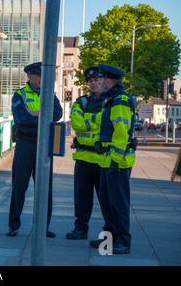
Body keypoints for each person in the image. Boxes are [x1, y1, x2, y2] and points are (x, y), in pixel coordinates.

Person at [7, 62, 63, 237]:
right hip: (25, 144)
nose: (41, 79)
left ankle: (43, 227)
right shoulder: (19, 95)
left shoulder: (50, 95)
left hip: (44, 144)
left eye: (43, 76)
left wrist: (35, 114)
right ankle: (13, 225)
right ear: (30, 77)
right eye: (38, 76)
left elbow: (58, 114)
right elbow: (22, 118)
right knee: (19, 186)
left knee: (45, 188)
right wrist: (42, 116)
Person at [90, 64, 136, 254]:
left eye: (100, 79)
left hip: (117, 161)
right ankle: (109, 238)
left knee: (118, 202)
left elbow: (121, 132)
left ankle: (123, 241)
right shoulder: (110, 100)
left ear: (108, 80)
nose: (99, 82)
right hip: (107, 160)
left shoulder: (120, 100)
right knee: (107, 202)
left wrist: (116, 160)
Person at [66, 67, 104, 240]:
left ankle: (109, 232)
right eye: (90, 81)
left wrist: (86, 120)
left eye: (96, 80)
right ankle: (80, 229)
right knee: (81, 197)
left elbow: (108, 122)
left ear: (103, 81)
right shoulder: (81, 102)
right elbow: (75, 122)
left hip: (102, 158)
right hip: (82, 157)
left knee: (106, 199)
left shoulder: (110, 101)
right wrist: (96, 120)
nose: (93, 83)